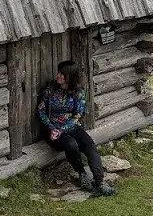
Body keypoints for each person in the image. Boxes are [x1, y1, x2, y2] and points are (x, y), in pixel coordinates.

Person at [37, 60, 116, 197]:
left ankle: (100, 182)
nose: (58, 76)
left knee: (90, 146)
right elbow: (41, 111)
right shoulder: (50, 90)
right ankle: (82, 174)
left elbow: (77, 115)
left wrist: (62, 129)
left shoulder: (78, 92)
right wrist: (52, 128)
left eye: (62, 74)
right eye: (59, 72)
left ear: (70, 77)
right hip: (52, 129)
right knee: (71, 144)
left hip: (71, 126)